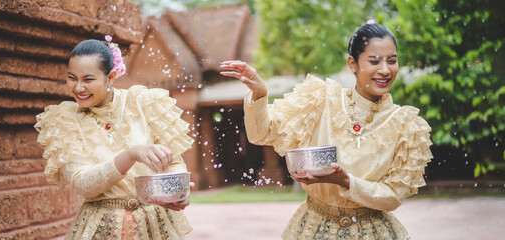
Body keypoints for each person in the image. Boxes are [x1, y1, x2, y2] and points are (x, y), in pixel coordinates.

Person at [220, 21, 432, 239]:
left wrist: (346, 181)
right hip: (315, 229)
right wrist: (259, 93)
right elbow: (262, 133)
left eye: (392, 61)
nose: (385, 70)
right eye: (374, 61)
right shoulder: (321, 100)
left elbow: (393, 196)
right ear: (353, 64)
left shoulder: (406, 125)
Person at [35, 36, 193, 239]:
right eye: (72, 78)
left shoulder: (143, 103)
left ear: (110, 77)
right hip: (101, 228)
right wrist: (131, 154)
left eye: (88, 79)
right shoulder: (65, 119)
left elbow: (174, 162)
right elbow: (82, 183)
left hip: (154, 226)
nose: (78, 88)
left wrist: (179, 191)